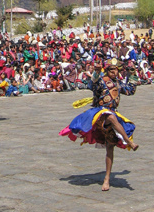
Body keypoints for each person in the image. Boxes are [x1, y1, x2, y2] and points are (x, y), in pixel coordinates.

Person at [59, 58, 139, 192]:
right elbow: (93, 84)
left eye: (116, 70)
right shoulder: (101, 80)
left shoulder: (117, 83)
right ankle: (128, 141)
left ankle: (107, 177)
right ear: (107, 70)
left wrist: (132, 74)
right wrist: (96, 71)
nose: (114, 72)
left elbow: (130, 90)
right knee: (111, 117)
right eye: (112, 70)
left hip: (112, 113)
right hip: (100, 113)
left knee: (110, 147)